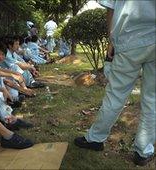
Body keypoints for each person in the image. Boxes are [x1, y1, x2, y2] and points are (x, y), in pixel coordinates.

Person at [74, 0, 156, 166]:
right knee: (153, 99)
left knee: (116, 95)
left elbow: (110, 8)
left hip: (128, 40)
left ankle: (96, 138)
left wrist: (112, 40)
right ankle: (142, 150)